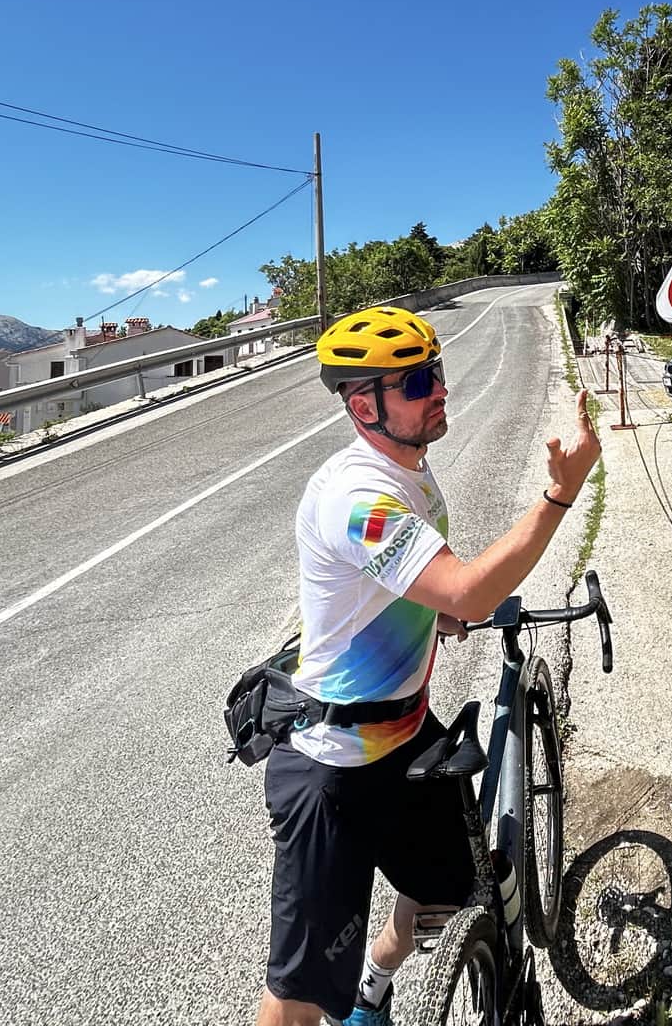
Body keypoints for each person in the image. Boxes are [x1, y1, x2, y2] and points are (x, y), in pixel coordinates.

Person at [256, 305, 601, 1026]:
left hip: (403, 733)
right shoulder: (359, 497)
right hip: (335, 764)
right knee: (298, 996)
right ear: (364, 405)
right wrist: (560, 493)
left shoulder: (408, 466)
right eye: (415, 381)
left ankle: (373, 986)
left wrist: (434, 612)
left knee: (450, 891)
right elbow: (470, 587)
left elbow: (419, 591)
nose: (438, 388)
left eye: (435, 371)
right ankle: (342, 992)